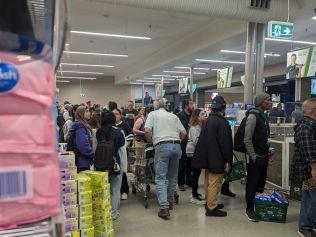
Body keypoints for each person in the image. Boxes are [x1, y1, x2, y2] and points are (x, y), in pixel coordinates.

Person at [144, 99, 186, 219]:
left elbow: (147, 130)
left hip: (162, 146)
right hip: (176, 145)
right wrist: (176, 142)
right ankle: (170, 202)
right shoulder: (173, 116)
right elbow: (184, 133)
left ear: (155, 107)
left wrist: (150, 140)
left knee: (161, 177)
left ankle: (164, 207)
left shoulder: (153, 114)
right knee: (172, 177)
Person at [192, 96, 233, 217]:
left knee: (208, 181)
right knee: (215, 182)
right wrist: (227, 160)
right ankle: (212, 208)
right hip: (217, 158)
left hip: (207, 157)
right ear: (223, 108)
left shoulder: (208, 120)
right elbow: (225, 144)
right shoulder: (222, 122)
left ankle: (209, 202)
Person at [244, 92, 272, 222]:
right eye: (268, 100)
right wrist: (253, 156)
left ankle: (259, 206)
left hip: (264, 155)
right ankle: (249, 209)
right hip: (256, 157)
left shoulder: (263, 117)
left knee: (261, 183)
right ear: (261, 102)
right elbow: (247, 140)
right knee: (252, 183)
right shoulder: (253, 117)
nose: (270, 102)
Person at [291, 98, 316, 237]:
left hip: (310, 170)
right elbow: (309, 150)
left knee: (311, 197)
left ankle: (310, 222)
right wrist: (314, 168)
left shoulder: (308, 124)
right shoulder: (306, 126)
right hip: (309, 171)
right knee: (312, 198)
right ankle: (305, 227)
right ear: (313, 110)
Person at [96, 111, 125, 220]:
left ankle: (103, 212)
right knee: (115, 189)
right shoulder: (119, 132)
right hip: (115, 164)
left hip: (100, 164)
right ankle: (113, 213)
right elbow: (123, 151)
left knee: (104, 188)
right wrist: (124, 168)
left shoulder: (98, 132)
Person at [186, 109, 206, 205]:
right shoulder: (195, 128)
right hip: (193, 153)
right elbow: (197, 142)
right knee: (195, 174)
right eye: (202, 114)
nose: (204, 115)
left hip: (196, 153)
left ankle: (195, 193)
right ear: (197, 116)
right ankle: (194, 195)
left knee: (196, 174)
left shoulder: (199, 126)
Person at [113, 108, 134, 200]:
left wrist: (123, 147)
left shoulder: (125, 125)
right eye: (113, 114)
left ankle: (124, 191)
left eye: (117, 114)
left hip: (123, 152)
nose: (115, 116)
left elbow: (130, 137)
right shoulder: (111, 125)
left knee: (123, 172)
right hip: (113, 153)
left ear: (121, 115)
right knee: (115, 172)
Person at [68, 105, 94, 172]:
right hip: (82, 161)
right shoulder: (80, 127)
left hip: (81, 160)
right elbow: (82, 144)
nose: (89, 113)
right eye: (86, 111)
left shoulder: (81, 125)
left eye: (89, 111)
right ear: (81, 113)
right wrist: (91, 154)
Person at [178, 99, 194, 191]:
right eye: (191, 104)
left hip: (191, 142)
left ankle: (189, 180)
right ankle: (180, 182)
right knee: (182, 163)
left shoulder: (192, 115)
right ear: (186, 105)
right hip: (183, 142)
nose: (192, 106)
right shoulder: (180, 116)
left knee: (190, 163)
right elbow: (181, 129)